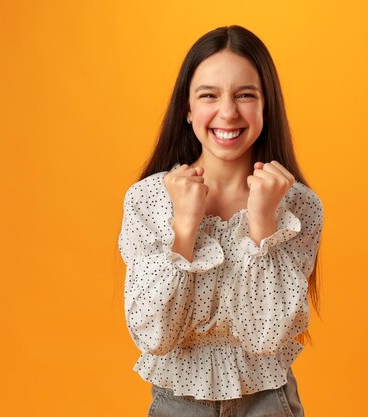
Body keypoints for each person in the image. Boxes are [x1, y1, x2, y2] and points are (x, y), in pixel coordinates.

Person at [118, 25, 323, 417]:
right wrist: (184, 229)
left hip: (269, 403)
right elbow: (154, 336)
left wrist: (263, 224)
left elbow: (267, 335)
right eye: (209, 95)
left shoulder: (299, 206)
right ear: (187, 109)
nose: (228, 112)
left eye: (245, 95)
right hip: (176, 405)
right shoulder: (146, 200)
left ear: (267, 106)